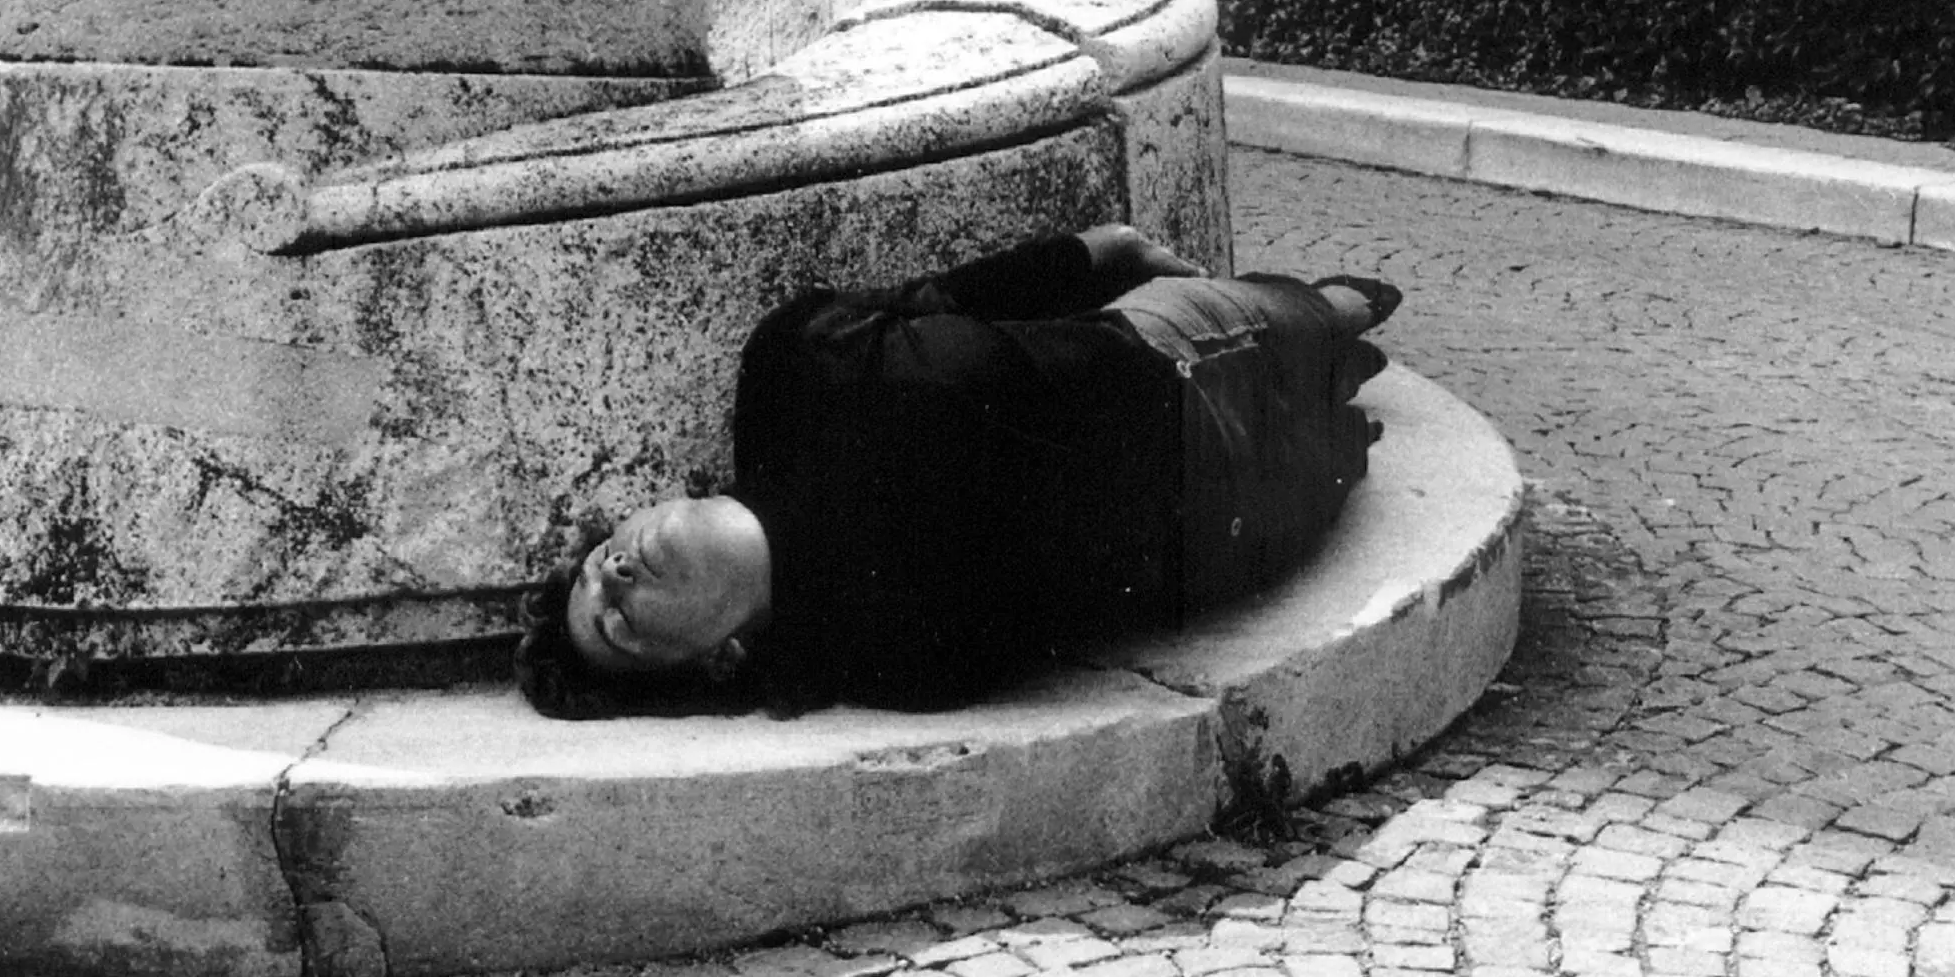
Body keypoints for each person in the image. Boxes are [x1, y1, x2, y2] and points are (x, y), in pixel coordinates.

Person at [516, 223, 1398, 719]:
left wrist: (1093, 253)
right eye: (619, 624)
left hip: (1172, 344)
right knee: (1353, 426)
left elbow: (941, 298)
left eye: (598, 567)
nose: (613, 579)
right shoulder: (893, 661)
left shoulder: (787, 370)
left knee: (1336, 313)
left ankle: (1330, 314)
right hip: (1223, 513)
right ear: (719, 659)